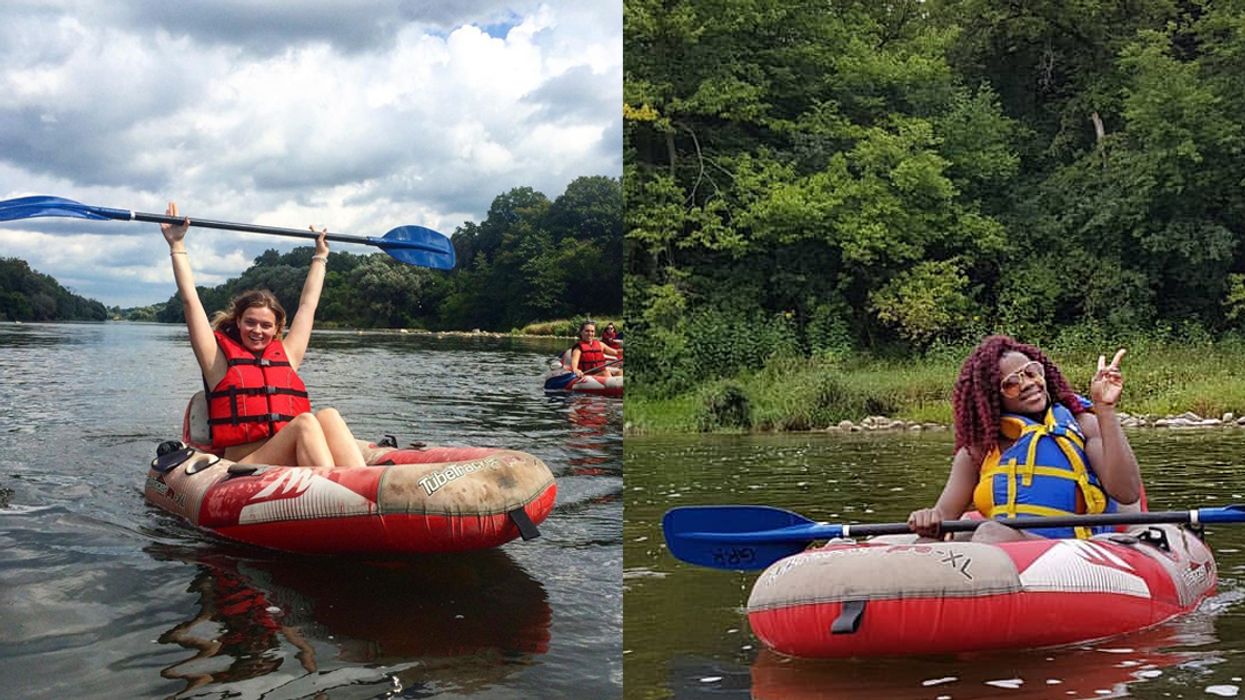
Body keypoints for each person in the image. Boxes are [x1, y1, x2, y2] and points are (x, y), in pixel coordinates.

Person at [162, 201, 365, 468]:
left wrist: (320, 256)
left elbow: (308, 305)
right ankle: (336, 485)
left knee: (328, 415)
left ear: (276, 329)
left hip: (285, 456)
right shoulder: (217, 362)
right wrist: (177, 245)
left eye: (266, 325)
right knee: (305, 423)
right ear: (238, 322)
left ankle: (360, 482)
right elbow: (191, 301)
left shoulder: (286, 355)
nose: (257, 330)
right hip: (244, 464)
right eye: (250, 323)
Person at [907, 335, 1142, 542]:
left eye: (1032, 372)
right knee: (928, 543)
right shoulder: (978, 451)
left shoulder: (1083, 425)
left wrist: (1105, 409)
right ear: (992, 397)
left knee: (990, 533)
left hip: (1074, 549)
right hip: (1009, 546)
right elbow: (943, 518)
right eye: (1011, 383)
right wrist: (926, 518)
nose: (1029, 384)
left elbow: (1127, 493)